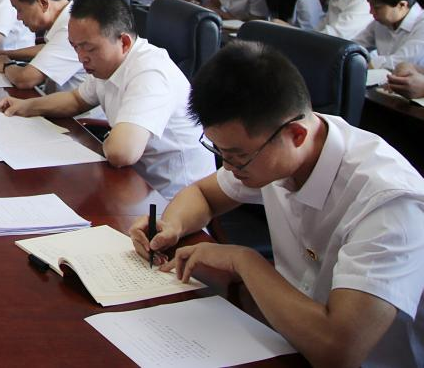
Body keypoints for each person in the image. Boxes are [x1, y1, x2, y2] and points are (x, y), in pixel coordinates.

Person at [129, 42, 424, 368]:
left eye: (238, 156)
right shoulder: (277, 147)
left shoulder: (388, 202)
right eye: (219, 151)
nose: (228, 167)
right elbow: (203, 194)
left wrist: (244, 260)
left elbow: (338, 351)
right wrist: (172, 225)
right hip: (282, 334)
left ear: (296, 135)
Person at [0, 0, 213, 200]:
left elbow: (121, 153)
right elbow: (76, 100)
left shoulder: (150, 72)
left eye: (88, 48)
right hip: (132, 181)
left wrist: (106, 140)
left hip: (170, 198)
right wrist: (26, 106)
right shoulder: (107, 63)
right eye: (75, 47)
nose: (81, 58)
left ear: (124, 42)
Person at [0, 0, 85, 92]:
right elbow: (48, 49)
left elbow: (25, 79)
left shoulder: (70, 30)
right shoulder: (65, 19)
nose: (18, 17)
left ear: (43, 3)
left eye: (20, 9)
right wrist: (3, 53)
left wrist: (6, 64)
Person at [353, 0, 424, 71]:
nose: (371, 11)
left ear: (402, 5)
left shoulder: (421, 25)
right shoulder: (381, 22)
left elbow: (398, 63)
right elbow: (356, 44)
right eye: (370, 5)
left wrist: (359, 64)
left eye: (377, 7)